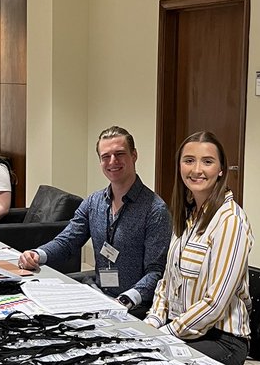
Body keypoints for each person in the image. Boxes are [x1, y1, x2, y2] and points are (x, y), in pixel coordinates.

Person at [18, 126, 171, 313]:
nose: (112, 161)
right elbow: (67, 241)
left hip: (135, 307)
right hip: (97, 295)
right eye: (106, 156)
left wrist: (127, 299)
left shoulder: (155, 210)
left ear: (134, 155)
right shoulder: (94, 202)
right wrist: (37, 254)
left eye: (120, 154)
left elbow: (156, 271)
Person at [144, 131, 253, 365]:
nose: (196, 170)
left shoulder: (230, 221)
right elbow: (167, 281)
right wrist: (151, 323)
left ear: (221, 169)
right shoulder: (188, 216)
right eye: (189, 160)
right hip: (182, 330)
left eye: (207, 161)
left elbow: (215, 302)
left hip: (221, 340)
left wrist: (167, 333)